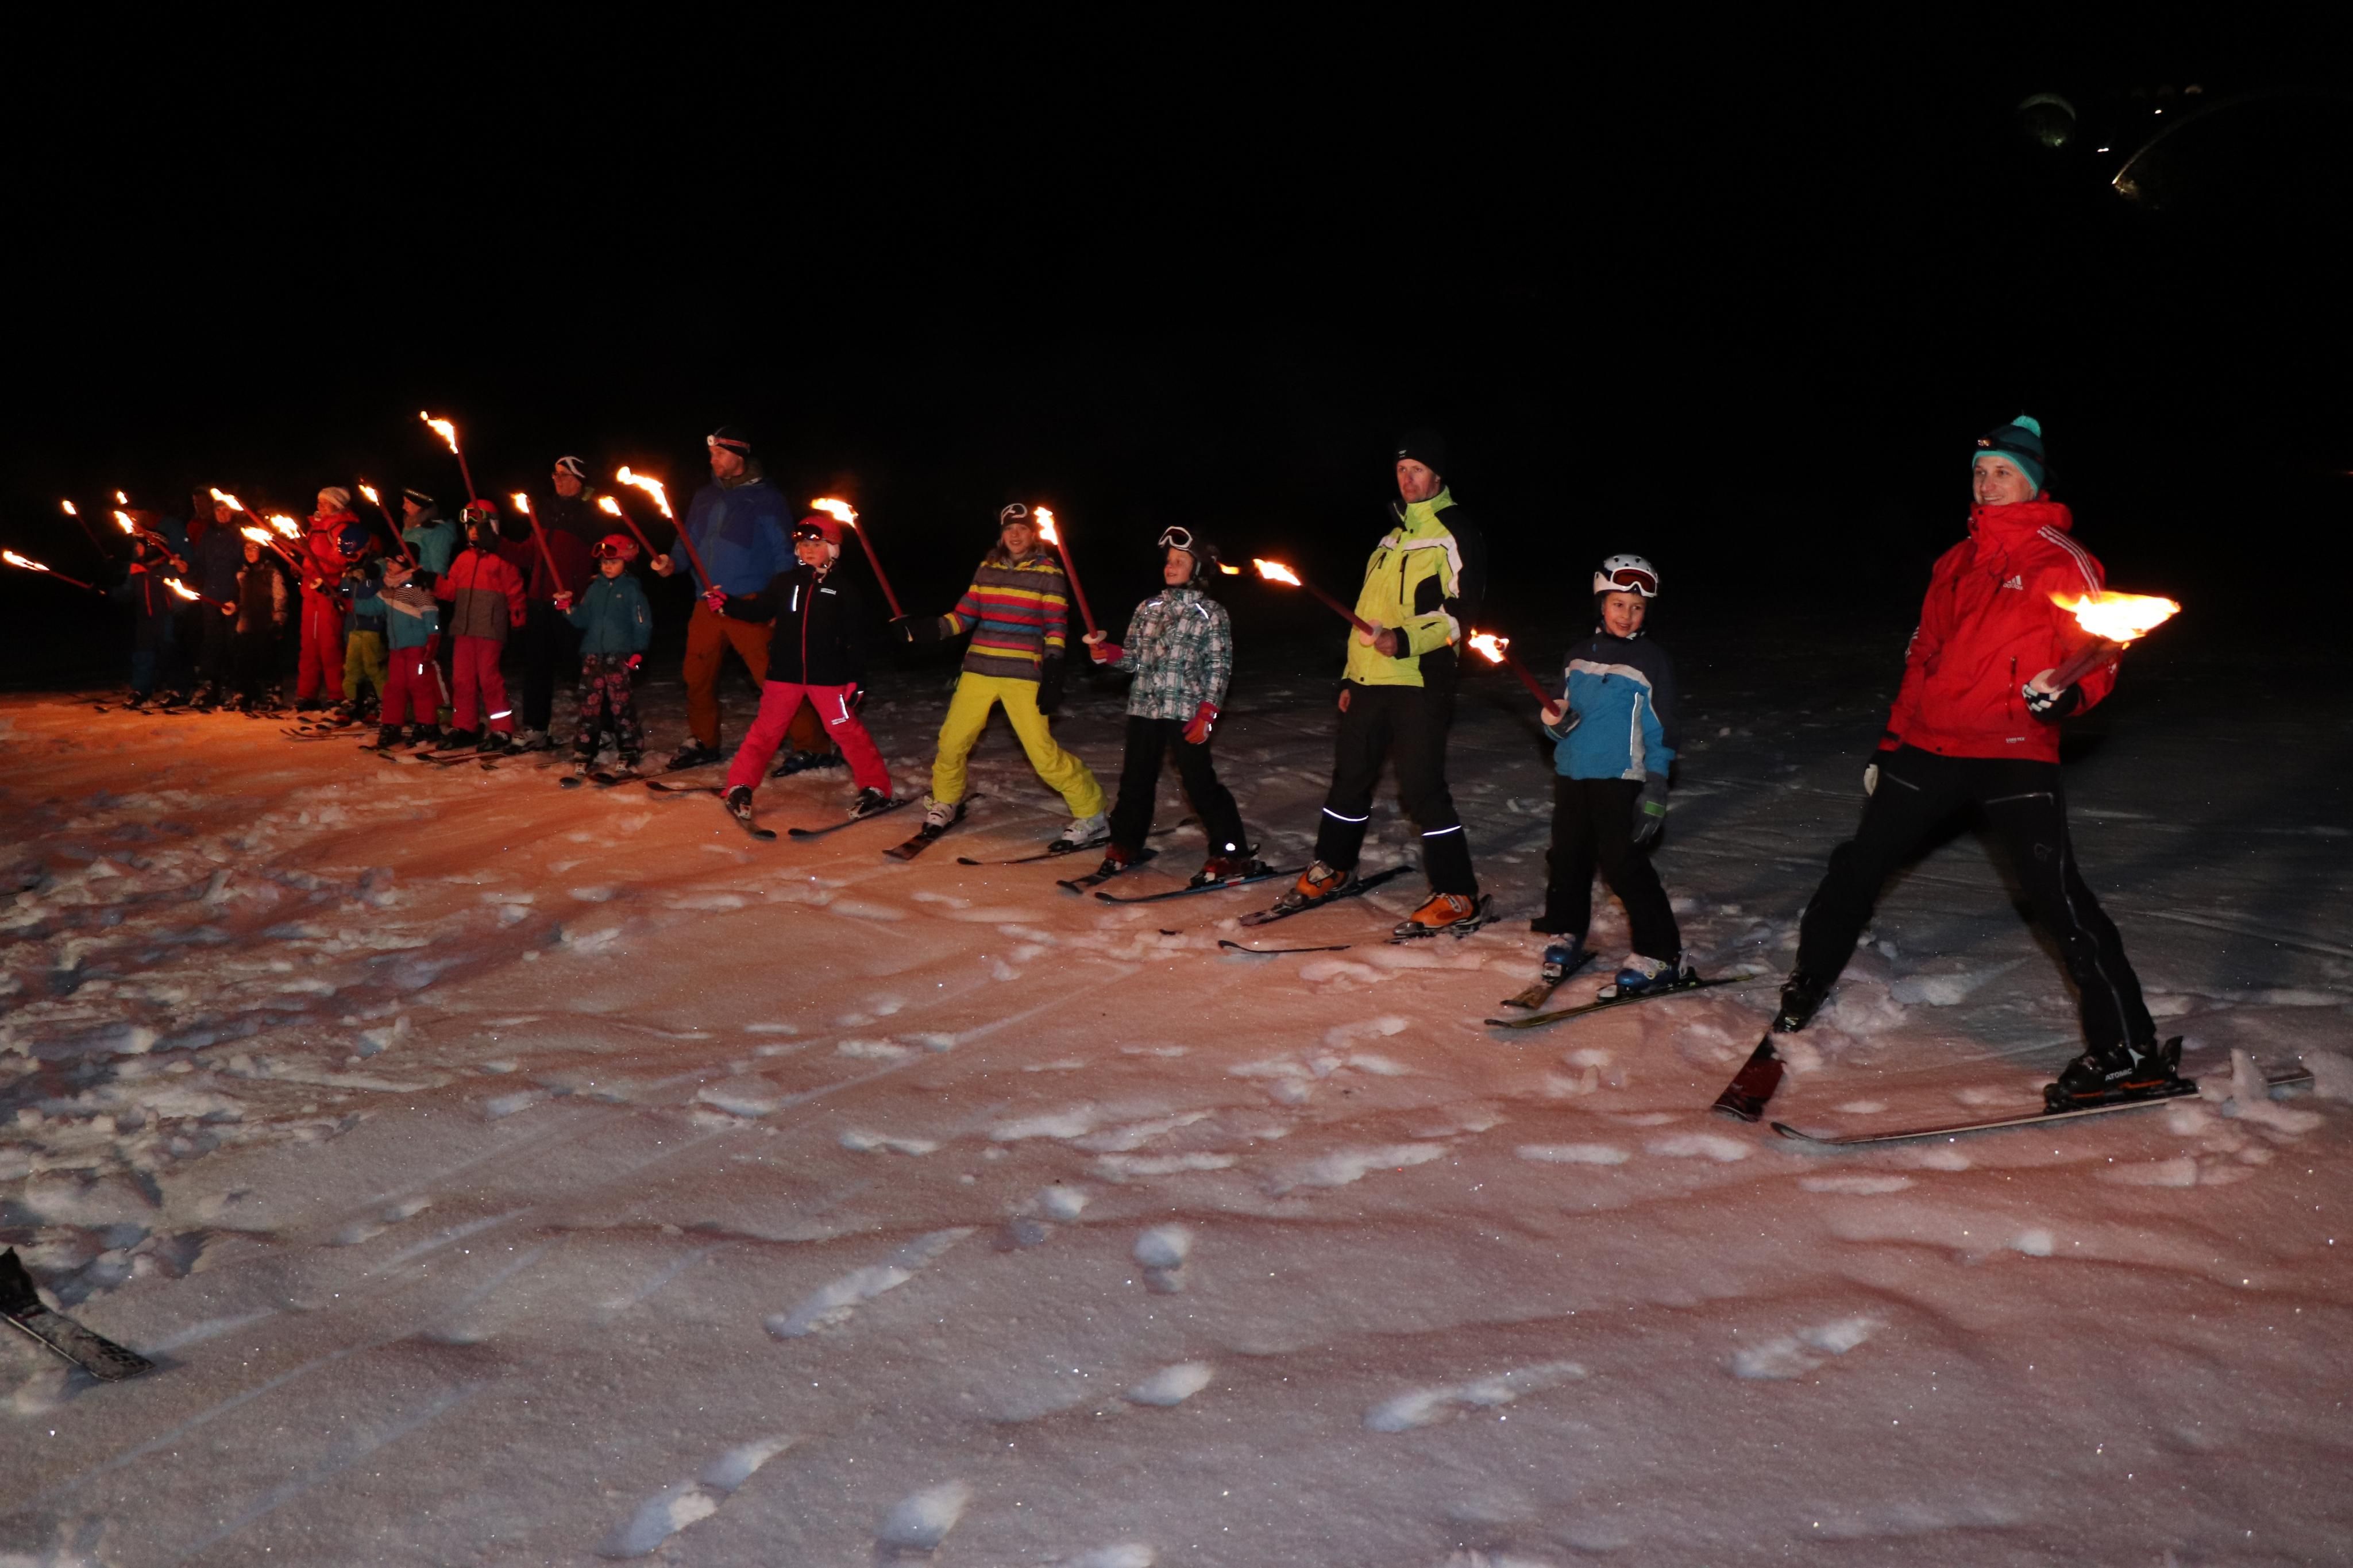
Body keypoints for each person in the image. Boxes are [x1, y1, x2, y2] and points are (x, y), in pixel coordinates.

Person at [1773, 415, 2174, 1109]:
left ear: (2033, 484)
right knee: (1859, 865)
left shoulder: (2062, 560)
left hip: (2013, 751)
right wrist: (1890, 743)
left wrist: (2068, 696)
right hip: (1930, 744)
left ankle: (2128, 1052)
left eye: (2003, 473)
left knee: (2057, 897)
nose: (1988, 484)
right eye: (1981, 473)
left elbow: (2099, 658)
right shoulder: (1955, 562)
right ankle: (1811, 977)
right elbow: (1923, 657)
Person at [1274, 430, 1489, 936]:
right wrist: (1351, 676)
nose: (1407, 479)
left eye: (1417, 469)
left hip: (1420, 678)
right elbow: (1365, 614)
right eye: (1401, 470)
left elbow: (1462, 614)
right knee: (1349, 778)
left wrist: (1406, 639)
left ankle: (1458, 893)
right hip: (1371, 678)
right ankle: (1334, 864)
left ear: (1437, 476)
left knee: (1422, 788)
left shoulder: (1455, 532)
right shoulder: (1390, 540)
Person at [904, 503, 1107, 849]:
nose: (1015, 534)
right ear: (1001, 534)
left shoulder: (1048, 573)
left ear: (1034, 534)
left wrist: (1054, 671)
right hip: (979, 670)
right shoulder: (988, 569)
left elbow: (1055, 627)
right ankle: (945, 800)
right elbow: (964, 616)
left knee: (1042, 753)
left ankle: (1092, 813)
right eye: (1009, 528)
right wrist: (923, 630)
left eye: (1022, 528)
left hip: (1023, 674)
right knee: (952, 742)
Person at [1532, 554, 1688, 997]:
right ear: (1601, 604)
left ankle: (1661, 954)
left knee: (1622, 864)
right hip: (1573, 772)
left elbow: (1663, 729)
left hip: (1621, 778)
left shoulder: (1651, 661)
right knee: (1568, 857)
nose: (1627, 615)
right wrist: (1554, 723)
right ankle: (1567, 930)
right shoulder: (1577, 656)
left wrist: (1656, 783)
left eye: (1637, 607)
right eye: (1618, 604)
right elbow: (1558, 711)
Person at [1082, 526, 1262, 885]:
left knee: (1199, 783)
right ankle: (1126, 843)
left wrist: (1208, 713)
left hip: (1186, 711)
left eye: (1180, 561)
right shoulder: (1148, 608)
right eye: (1169, 560)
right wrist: (1109, 654)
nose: (1171, 566)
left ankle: (1231, 853)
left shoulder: (1211, 614)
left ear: (1198, 568)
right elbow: (1134, 659)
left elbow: (1219, 668)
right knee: (1135, 780)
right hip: (1144, 707)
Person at [717, 513, 894, 822]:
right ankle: (740, 785)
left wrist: (857, 677)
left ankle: (875, 787)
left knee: (845, 731)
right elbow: (759, 610)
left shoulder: (844, 589)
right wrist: (727, 603)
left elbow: (855, 637)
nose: (809, 550)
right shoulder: (784, 582)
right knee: (766, 731)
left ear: (833, 548)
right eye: (804, 545)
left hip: (829, 678)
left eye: (817, 544)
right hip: (784, 675)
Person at [649, 426, 794, 770]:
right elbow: (687, 539)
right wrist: (672, 563)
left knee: (776, 679)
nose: (712, 460)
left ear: (739, 456)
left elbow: (784, 554)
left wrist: (781, 602)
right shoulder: (704, 496)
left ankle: (811, 746)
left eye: (719, 454)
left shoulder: (767, 498)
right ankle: (704, 741)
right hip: (707, 603)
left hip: (750, 602)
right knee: (697, 677)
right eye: (711, 454)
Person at [514, 455, 600, 751]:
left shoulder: (592, 514)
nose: (557, 479)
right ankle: (536, 728)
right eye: (555, 474)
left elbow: (605, 561)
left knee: (580, 670)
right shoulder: (545, 510)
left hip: (570, 605)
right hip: (539, 602)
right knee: (536, 668)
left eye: (563, 475)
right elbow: (527, 554)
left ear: (579, 480)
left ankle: (600, 728)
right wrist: (494, 542)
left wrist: (586, 592)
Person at [433, 500, 527, 752]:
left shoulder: (502, 559)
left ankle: (503, 728)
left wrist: (518, 622)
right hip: (464, 629)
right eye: (471, 527)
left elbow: (515, 592)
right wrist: (433, 582)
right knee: (462, 680)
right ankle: (465, 725)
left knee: (489, 679)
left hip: (490, 628)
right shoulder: (463, 559)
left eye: (480, 527)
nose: (474, 532)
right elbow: (450, 591)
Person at [557, 534, 654, 771]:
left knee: (621, 704)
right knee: (589, 704)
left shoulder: (632, 591)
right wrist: (568, 609)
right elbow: (582, 620)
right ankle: (585, 746)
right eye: (603, 562)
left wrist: (639, 651)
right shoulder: (594, 590)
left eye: (613, 562)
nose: (607, 566)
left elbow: (643, 624)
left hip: (619, 655)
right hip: (592, 654)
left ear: (627, 562)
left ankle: (630, 745)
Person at [294, 487, 360, 710]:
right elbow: (308, 556)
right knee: (309, 645)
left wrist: (319, 571)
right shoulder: (315, 527)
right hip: (310, 590)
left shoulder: (342, 527)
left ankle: (337, 694)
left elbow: (340, 559)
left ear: (336, 504)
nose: (320, 506)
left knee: (330, 644)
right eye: (319, 502)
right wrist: (301, 567)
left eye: (325, 502)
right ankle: (307, 694)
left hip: (328, 591)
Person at [375, 551, 446, 749]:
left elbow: (431, 613)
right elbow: (370, 608)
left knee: (419, 685)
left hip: (417, 647)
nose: (389, 565)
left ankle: (427, 724)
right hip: (397, 649)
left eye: (394, 562)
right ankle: (392, 724)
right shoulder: (388, 589)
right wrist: (346, 595)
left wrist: (433, 636)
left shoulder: (416, 589)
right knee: (395, 687)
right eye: (388, 561)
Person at [113, 524, 188, 708]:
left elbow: (180, 596)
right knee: (143, 654)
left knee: (169, 653)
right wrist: (107, 592)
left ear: (152, 548)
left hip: (165, 618)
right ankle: (141, 690)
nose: (137, 550)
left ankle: (176, 689)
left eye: (140, 546)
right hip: (145, 619)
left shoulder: (167, 569)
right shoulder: (137, 569)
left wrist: (177, 615)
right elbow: (127, 592)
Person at [186, 495, 246, 708]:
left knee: (234, 641)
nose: (222, 514)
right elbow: (200, 564)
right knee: (212, 641)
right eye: (219, 510)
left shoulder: (240, 534)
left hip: (233, 595)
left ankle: (236, 685)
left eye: (226, 510)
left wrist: (239, 595)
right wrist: (187, 573)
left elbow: (246, 564)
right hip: (211, 595)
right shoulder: (208, 535)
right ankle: (211, 685)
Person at [335, 519, 388, 725]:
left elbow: (379, 573)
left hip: (373, 627)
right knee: (352, 667)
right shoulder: (349, 569)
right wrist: (339, 595)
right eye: (347, 556)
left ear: (366, 546)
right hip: (354, 628)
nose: (350, 559)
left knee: (374, 667)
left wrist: (366, 572)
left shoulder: (379, 567)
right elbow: (345, 591)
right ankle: (353, 700)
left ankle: (382, 701)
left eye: (354, 554)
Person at [230, 535, 289, 712]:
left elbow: (280, 596)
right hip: (247, 622)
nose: (249, 552)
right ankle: (247, 693)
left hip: (266, 622)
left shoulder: (271, 571)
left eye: (254, 548)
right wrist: (234, 607)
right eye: (246, 549)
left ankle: (273, 692)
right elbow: (239, 597)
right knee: (245, 659)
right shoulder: (242, 573)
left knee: (267, 658)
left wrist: (279, 619)